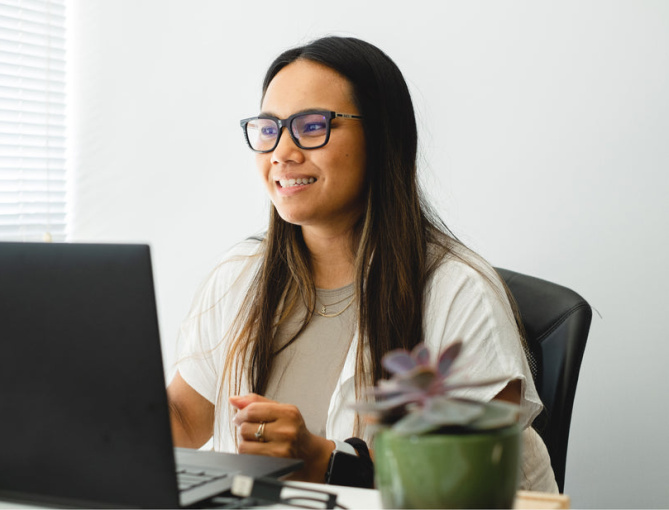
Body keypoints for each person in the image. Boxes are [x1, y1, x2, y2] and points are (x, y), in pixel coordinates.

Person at [168, 36, 558, 492]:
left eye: (312, 126)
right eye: (269, 129)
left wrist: (324, 460)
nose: (282, 153)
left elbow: (469, 475)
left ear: (380, 136)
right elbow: (183, 419)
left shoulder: (458, 290)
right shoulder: (239, 276)